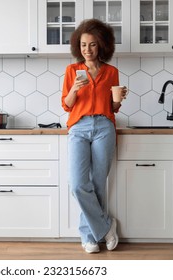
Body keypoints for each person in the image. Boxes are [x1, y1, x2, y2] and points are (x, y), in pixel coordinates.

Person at [61, 19, 127, 254]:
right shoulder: (71, 71)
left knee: (98, 184)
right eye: (83, 45)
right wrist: (74, 90)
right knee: (79, 184)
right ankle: (106, 227)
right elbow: (67, 106)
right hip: (78, 127)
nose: (87, 50)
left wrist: (119, 99)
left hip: (104, 127)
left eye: (92, 45)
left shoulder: (111, 72)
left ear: (102, 46)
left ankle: (89, 236)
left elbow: (114, 107)